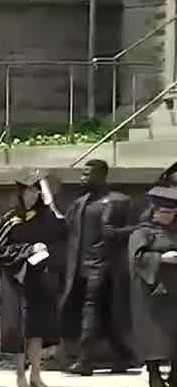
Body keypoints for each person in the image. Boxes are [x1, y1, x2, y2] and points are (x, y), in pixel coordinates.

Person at [60, 160, 135, 375]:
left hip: (104, 267)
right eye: (82, 174)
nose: (83, 178)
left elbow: (139, 228)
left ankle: (85, 360)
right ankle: (122, 356)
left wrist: (118, 233)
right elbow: (66, 230)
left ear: (101, 175)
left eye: (88, 174)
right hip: (80, 268)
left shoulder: (120, 201)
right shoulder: (79, 204)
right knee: (104, 314)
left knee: (91, 311)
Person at [0, 176, 66, 387]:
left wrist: (49, 198)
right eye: (27, 192)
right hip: (17, 279)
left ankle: (36, 373)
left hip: (39, 278)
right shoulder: (9, 220)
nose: (31, 196)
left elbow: (62, 231)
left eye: (35, 192)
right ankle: (19, 375)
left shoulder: (45, 217)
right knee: (19, 329)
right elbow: (1, 251)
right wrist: (28, 250)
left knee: (37, 328)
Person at [127, 186, 177, 387]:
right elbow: (137, 259)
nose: (166, 217)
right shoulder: (142, 232)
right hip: (151, 292)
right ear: (154, 211)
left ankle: (175, 378)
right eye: (163, 212)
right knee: (153, 337)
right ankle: (155, 378)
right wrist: (162, 258)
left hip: (174, 292)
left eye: (171, 213)